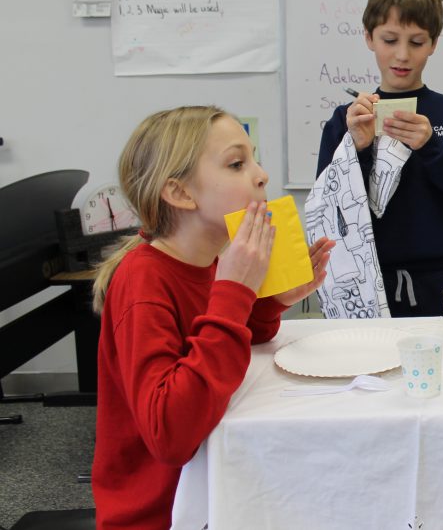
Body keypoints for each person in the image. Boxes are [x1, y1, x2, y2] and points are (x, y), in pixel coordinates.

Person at [91, 106, 335, 529]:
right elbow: (171, 433)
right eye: (237, 164)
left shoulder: (204, 259)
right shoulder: (143, 281)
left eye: (254, 159)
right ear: (180, 193)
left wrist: (269, 302)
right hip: (163, 513)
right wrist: (235, 290)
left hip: (217, 488)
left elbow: (232, 342)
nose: (260, 174)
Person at [317, 0, 443, 317]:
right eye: (390, 39)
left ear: (433, 43)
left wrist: (433, 147)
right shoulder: (347, 120)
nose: (402, 55)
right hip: (371, 287)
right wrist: (357, 151)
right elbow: (329, 217)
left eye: (417, 42)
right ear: (369, 38)